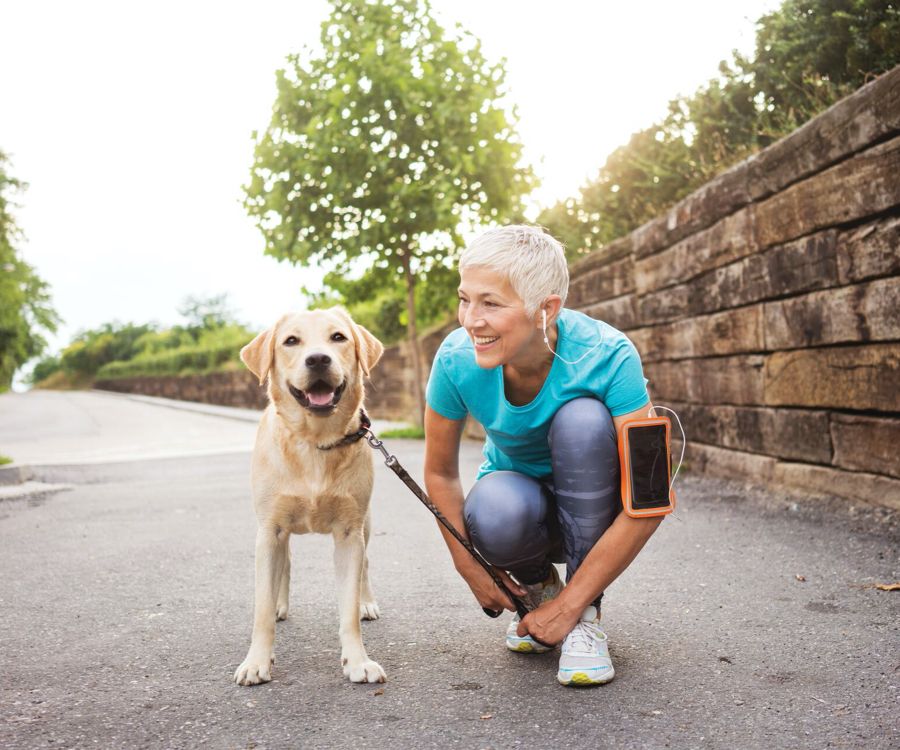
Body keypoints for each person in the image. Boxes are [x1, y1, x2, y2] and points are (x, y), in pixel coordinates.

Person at [423, 224, 664, 687]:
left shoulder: (609, 354)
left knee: (583, 421)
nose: (470, 319)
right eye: (465, 298)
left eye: (491, 303)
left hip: (600, 511)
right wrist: (470, 565)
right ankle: (539, 588)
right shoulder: (455, 359)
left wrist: (571, 608)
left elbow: (650, 497)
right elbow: (438, 472)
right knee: (492, 509)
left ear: (545, 309)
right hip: (522, 517)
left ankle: (583, 615)